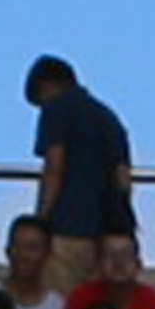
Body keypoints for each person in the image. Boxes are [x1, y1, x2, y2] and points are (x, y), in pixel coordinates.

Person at [26, 57, 135, 249]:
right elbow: (123, 178)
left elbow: (54, 169)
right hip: (108, 231)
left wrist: (40, 220)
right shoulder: (108, 118)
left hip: (67, 226)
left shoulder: (57, 110)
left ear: (46, 86)